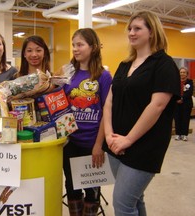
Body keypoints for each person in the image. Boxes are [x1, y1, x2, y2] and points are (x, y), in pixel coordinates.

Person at [102, 11, 180, 216]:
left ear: (152, 32)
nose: (131, 33)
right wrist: (109, 134)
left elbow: (157, 106)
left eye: (137, 28)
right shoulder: (124, 64)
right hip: (116, 142)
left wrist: (128, 139)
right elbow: (109, 101)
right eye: (129, 28)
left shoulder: (164, 65)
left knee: (122, 204)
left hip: (144, 146)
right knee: (135, 200)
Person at [62, 28, 112, 216]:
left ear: (93, 47)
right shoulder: (68, 73)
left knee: (92, 191)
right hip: (70, 142)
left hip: (93, 143)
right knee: (72, 186)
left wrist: (99, 145)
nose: (75, 49)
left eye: (80, 45)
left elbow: (107, 113)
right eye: (74, 45)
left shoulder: (104, 76)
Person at [174, 66, 194, 141]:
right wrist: (177, 99)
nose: (182, 74)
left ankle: (184, 134)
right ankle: (178, 134)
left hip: (186, 103)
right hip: (176, 103)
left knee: (185, 119)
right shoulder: (176, 81)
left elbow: (190, 92)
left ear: (187, 74)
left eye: (184, 72)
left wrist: (182, 98)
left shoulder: (190, 82)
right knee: (177, 118)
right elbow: (174, 91)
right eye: (181, 72)